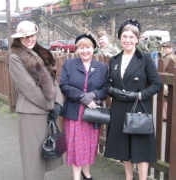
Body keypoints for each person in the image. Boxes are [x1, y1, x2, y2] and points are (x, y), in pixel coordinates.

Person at [104, 19, 163, 180]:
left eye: (132, 37)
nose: (128, 40)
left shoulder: (145, 59)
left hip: (139, 108)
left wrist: (138, 95)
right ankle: (129, 177)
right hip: (119, 107)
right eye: (125, 36)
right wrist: (113, 91)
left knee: (141, 146)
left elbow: (157, 84)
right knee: (123, 145)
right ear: (120, 38)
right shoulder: (114, 60)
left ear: (137, 39)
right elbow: (108, 84)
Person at [9, 21, 63, 180]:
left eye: (32, 35)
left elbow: (54, 80)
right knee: (32, 159)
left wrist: (58, 103)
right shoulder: (15, 57)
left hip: (47, 111)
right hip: (31, 113)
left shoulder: (42, 53)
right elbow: (29, 88)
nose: (29, 39)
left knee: (44, 155)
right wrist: (51, 106)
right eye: (25, 37)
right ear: (19, 38)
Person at [59, 33, 108, 180]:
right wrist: (82, 97)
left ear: (93, 48)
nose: (84, 51)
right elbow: (64, 86)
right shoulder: (69, 64)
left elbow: (106, 89)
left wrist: (93, 95)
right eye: (81, 48)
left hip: (92, 113)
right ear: (77, 50)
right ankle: (76, 177)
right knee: (75, 145)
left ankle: (86, 173)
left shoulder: (102, 67)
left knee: (89, 144)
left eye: (88, 47)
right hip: (74, 112)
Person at [161, 41, 176, 121]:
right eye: (164, 49)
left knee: (165, 99)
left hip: (167, 81)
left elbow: (163, 69)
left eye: (166, 48)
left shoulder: (168, 57)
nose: (165, 50)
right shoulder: (174, 56)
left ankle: (167, 115)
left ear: (171, 49)